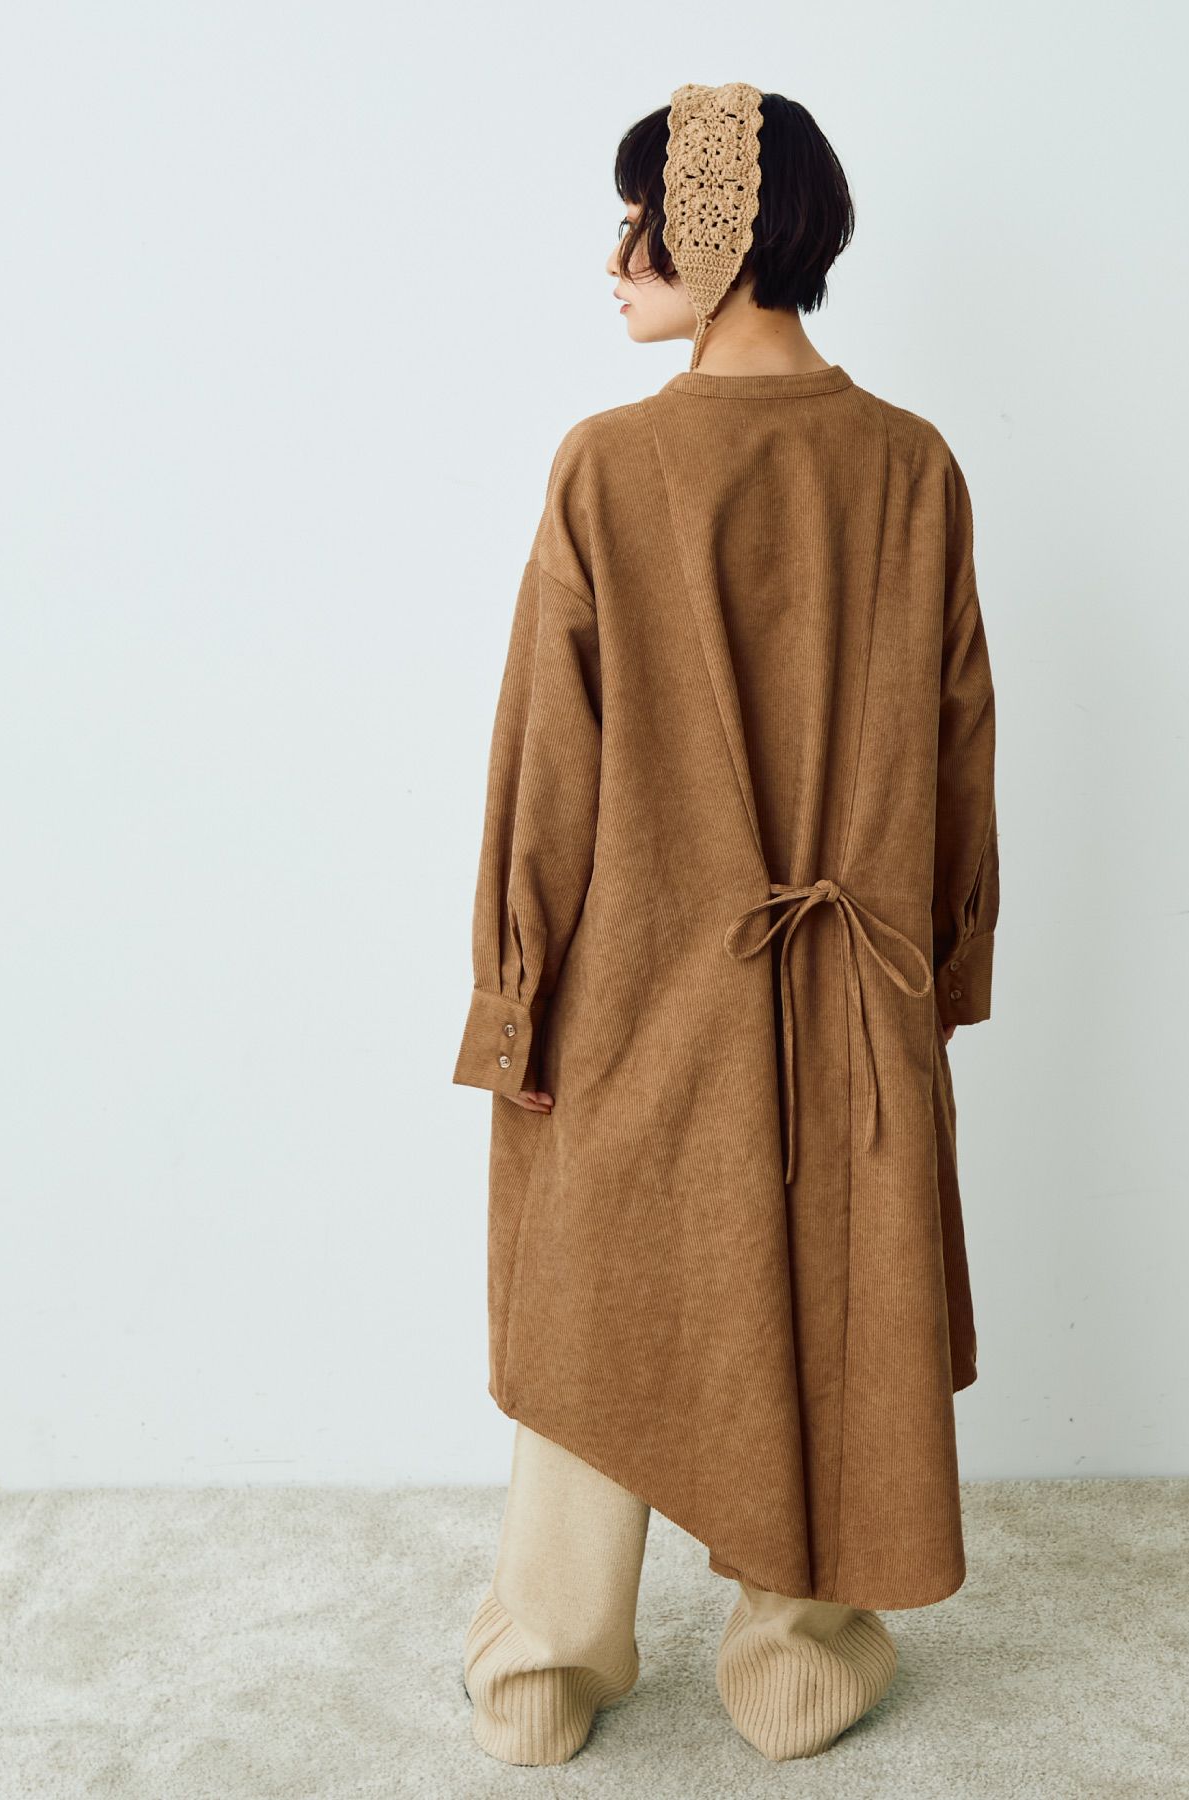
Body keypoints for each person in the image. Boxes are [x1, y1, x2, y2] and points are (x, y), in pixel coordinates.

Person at [452, 82, 1000, 1766]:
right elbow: (960, 741)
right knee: (834, 1280)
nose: (616, 258)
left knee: (599, 1289)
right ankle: (800, 1653)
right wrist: (941, 973)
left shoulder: (611, 466)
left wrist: (516, 998)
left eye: (638, 222)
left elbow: (548, 764)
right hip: (855, 985)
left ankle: (545, 1664)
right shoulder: (911, 466)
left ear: (714, 231)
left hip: (638, 981)